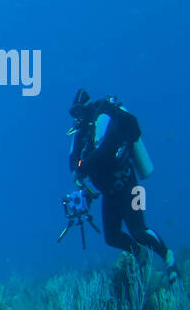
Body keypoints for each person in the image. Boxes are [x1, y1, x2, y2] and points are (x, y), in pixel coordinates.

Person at [68, 89, 176, 279]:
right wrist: (78, 174)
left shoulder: (104, 118)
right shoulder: (82, 133)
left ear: (87, 108)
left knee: (139, 231)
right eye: (75, 113)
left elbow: (105, 151)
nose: (78, 117)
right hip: (110, 193)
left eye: (80, 112)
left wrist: (83, 166)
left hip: (130, 186)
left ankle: (169, 258)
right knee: (112, 237)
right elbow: (73, 158)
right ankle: (140, 254)